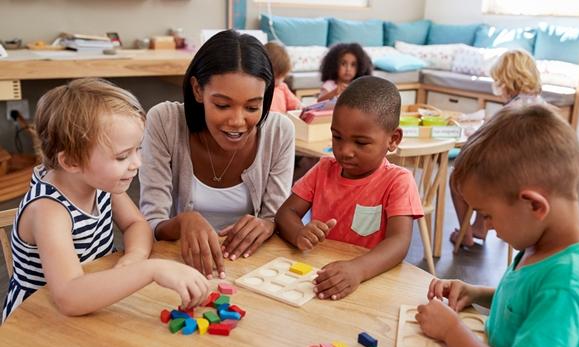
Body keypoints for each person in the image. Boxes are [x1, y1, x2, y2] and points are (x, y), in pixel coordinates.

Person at [2, 78, 209, 323]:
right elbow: (69, 296)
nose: (137, 163)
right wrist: (150, 269)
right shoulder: (49, 211)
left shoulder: (100, 182)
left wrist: (133, 258)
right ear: (71, 162)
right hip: (39, 321)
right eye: (122, 156)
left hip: (93, 301)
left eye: (138, 149)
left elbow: (136, 225)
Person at [416, 104, 579, 347]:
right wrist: (477, 293)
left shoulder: (566, 286)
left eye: (487, 215)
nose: (488, 227)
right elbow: (525, 303)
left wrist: (452, 331)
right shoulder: (543, 245)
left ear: (534, 206)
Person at [139, 30, 295, 279]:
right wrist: (182, 221)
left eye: (253, 107)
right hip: (178, 268)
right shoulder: (165, 121)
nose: (237, 121)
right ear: (197, 90)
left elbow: (275, 216)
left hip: (250, 269)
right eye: (222, 105)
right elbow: (149, 223)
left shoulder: (279, 131)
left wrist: (269, 223)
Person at [276, 76, 423, 300]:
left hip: (369, 282)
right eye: (337, 137)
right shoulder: (323, 169)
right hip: (319, 276)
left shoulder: (398, 181)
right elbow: (287, 212)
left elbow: (399, 242)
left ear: (393, 139)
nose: (345, 151)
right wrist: (299, 233)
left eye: (361, 142)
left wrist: (358, 269)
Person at [450, 49, 545, 247]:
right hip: (535, 180)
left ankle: (465, 234)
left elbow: (480, 144)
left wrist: (471, 134)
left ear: (507, 80)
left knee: (458, 177)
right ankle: (480, 227)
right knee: (483, 170)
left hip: (509, 182)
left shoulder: (512, 112)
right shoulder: (541, 106)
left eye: (498, 81)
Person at [264, 41, 302, 113]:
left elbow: (294, 103)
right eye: (277, 77)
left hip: (282, 121)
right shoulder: (261, 89)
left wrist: (299, 106)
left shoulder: (282, 87)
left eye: (282, 76)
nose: (280, 80)